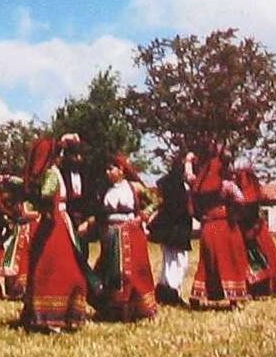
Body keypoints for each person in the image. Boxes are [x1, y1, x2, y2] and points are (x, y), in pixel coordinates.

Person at [19, 135, 95, 333]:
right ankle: (57, 315)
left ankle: (47, 313)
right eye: (59, 153)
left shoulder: (50, 173)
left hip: (55, 223)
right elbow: (46, 194)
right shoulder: (52, 174)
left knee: (47, 268)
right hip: (56, 225)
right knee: (63, 270)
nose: (62, 157)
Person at [185, 144, 253, 308]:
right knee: (230, 260)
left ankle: (197, 296)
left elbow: (189, 177)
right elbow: (241, 199)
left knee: (207, 262)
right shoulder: (226, 185)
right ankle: (234, 298)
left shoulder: (200, 184)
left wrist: (188, 161)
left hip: (208, 227)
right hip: (226, 226)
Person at [93, 154, 158, 322]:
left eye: (111, 169)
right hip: (110, 234)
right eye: (106, 170)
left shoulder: (133, 187)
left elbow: (156, 201)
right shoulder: (104, 190)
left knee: (132, 271)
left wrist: (143, 216)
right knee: (110, 271)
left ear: (121, 170)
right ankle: (112, 309)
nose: (108, 173)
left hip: (130, 234)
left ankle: (136, 308)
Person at [233, 164, 276, 298]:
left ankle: (262, 288)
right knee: (256, 260)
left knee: (258, 260)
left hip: (253, 231)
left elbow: (248, 207)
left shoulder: (249, 191)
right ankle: (258, 288)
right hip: (249, 231)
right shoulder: (247, 190)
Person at [147, 157, 194, 306]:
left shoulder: (168, 183)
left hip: (170, 227)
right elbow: (179, 208)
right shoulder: (178, 186)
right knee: (178, 261)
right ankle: (171, 293)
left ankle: (164, 290)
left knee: (170, 260)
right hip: (177, 228)